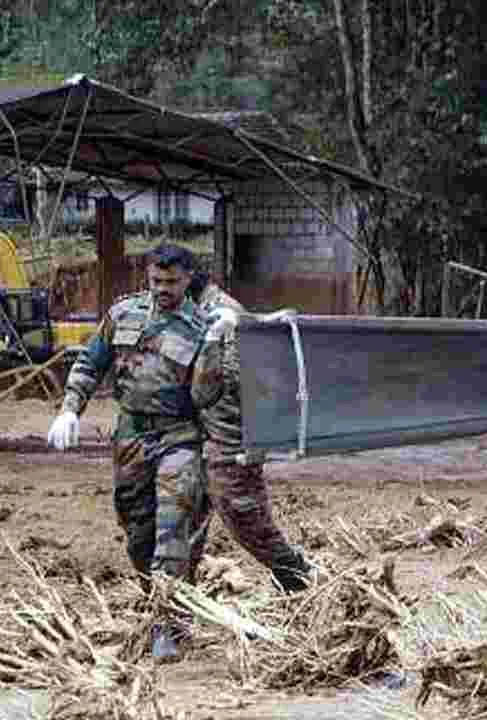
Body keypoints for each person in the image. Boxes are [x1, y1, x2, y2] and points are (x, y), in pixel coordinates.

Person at [46, 243, 210, 660]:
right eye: (156, 280)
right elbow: (90, 361)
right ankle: (164, 601)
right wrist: (69, 410)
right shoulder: (123, 314)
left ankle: (166, 624)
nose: (162, 289)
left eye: (171, 282)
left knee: (172, 526)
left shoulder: (204, 327)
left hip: (181, 438)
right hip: (130, 438)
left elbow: (224, 394)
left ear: (188, 279)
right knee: (138, 532)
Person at [187, 272, 312, 594]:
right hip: (199, 439)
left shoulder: (222, 313)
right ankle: (177, 591)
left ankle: (297, 578)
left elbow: (230, 389)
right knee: (185, 523)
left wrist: (226, 449)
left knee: (246, 520)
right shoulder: (198, 311)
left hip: (225, 443)